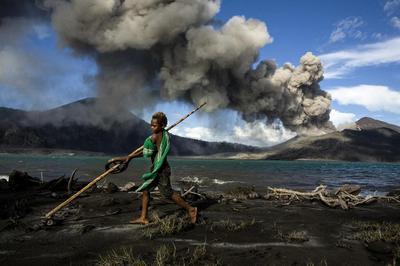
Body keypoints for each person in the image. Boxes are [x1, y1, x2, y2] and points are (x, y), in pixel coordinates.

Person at [114, 112, 197, 225]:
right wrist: (130, 157)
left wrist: (129, 157)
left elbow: (145, 153)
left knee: (168, 193)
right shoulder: (164, 133)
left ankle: (191, 209)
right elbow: (148, 150)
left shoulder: (154, 137)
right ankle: (143, 217)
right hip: (158, 168)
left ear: (162, 126)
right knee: (146, 190)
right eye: (151, 125)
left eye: (155, 125)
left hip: (161, 169)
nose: (152, 127)